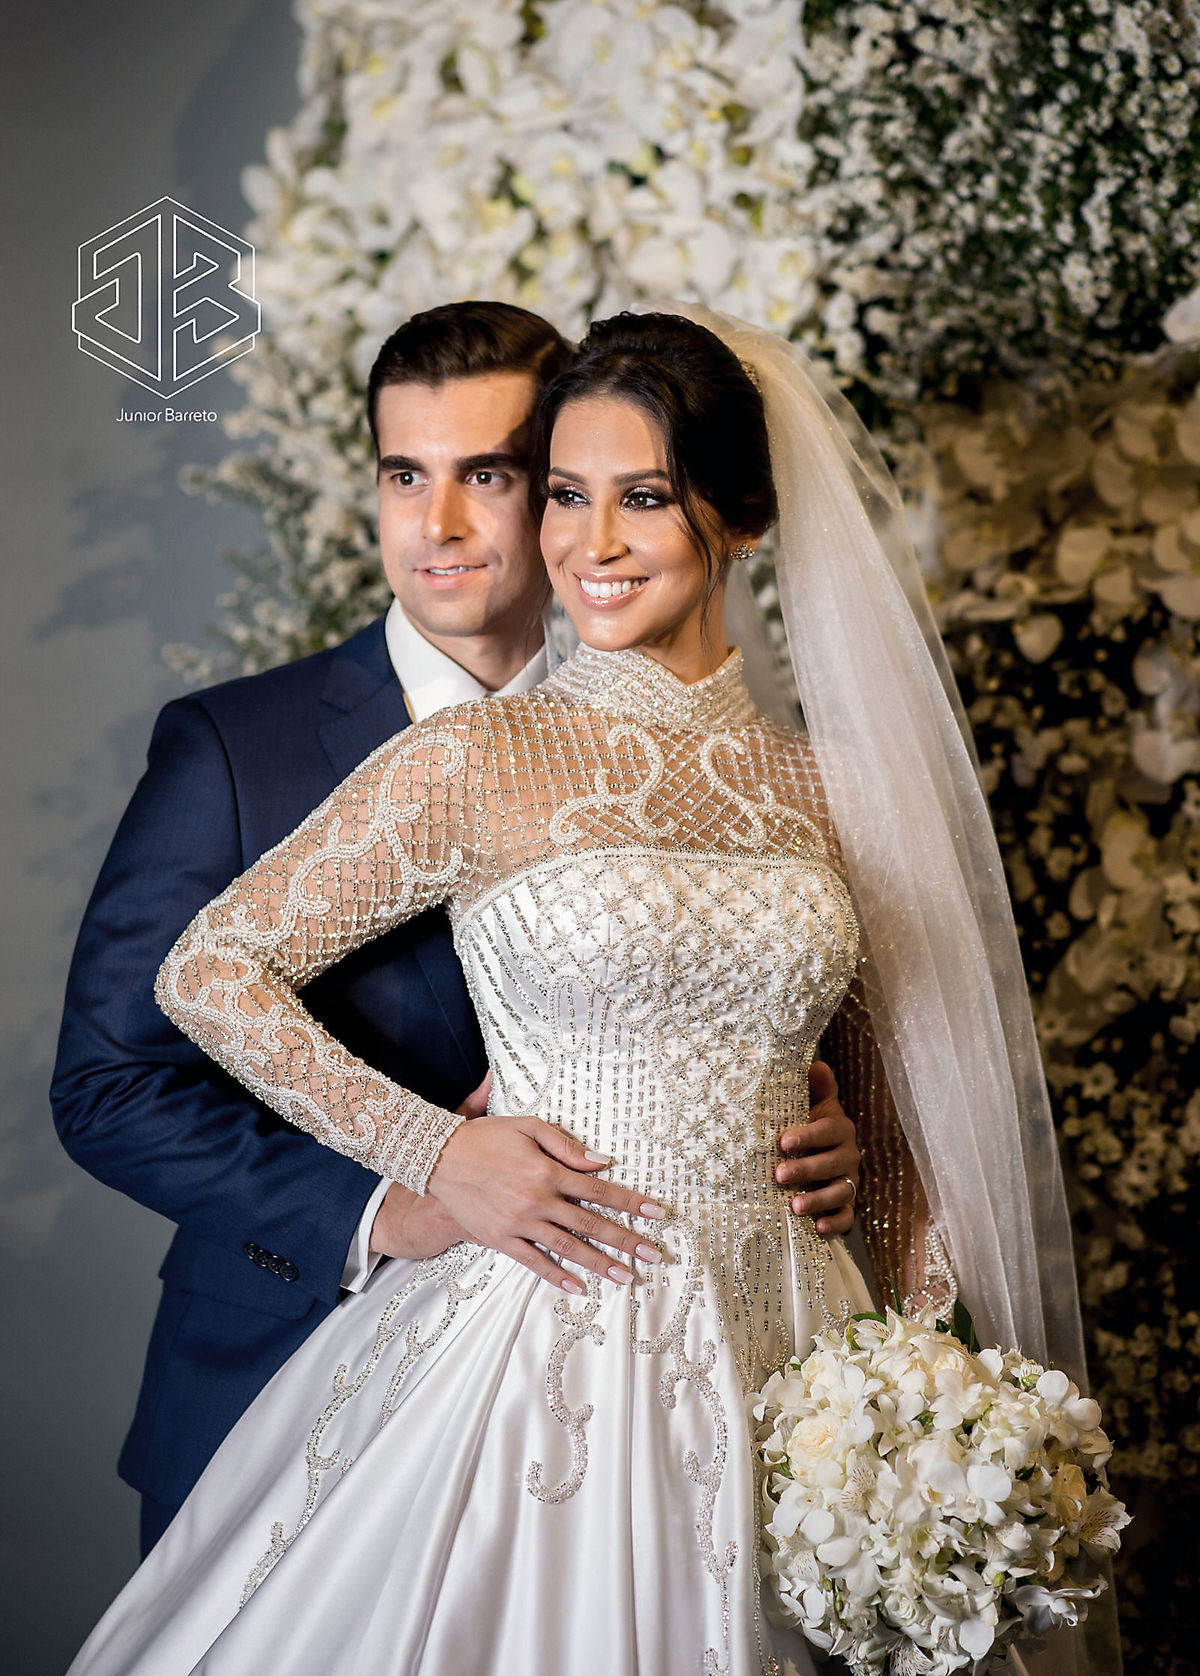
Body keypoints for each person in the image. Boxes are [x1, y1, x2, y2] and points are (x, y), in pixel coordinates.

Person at [29, 309, 1099, 1676]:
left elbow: (884, 1103)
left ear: (742, 516)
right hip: (536, 1321)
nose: (587, 540)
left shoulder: (833, 789)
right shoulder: (473, 754)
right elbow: (205, 974)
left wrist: (921, 1387)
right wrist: (431, 1153)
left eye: (640, 496)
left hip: (790, 1336)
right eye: (567, 495)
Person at [49, 300, 861, 1559]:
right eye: (403, 475)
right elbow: (111, 1083)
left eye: (490, 475)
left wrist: (824, 1123)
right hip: (284, 1379)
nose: (438, 523)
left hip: (723, 1337)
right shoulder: (234, 745)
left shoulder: (768, 776)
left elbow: (771, 1012)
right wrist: (403, 1185)